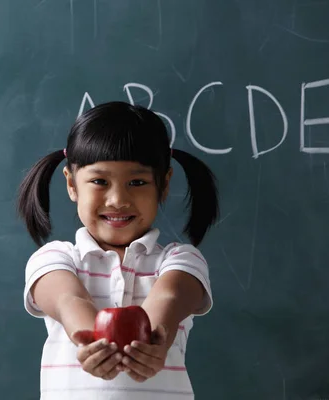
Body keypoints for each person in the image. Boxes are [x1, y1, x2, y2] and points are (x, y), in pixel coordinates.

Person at [17, 101, 219, 399]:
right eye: (99, 181)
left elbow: (170, 296)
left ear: (163, 185)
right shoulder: (55, 259)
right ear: (72, 184)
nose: (117, 199)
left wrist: (152, 342)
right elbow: (67, 298)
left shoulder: (180, 260)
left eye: (137, 182)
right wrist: (91, 341)